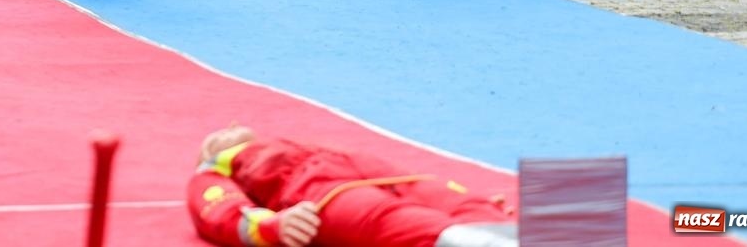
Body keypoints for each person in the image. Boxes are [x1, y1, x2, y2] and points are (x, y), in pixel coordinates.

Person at [186, 125, 511, 247]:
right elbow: (216, 211)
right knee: (409, 224)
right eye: (214, 138)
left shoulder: (296, 142)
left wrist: (477, 202)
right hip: (324, 195)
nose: (225, 131)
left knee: (481, 215)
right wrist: (273, 227)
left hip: (401, 180)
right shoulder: (214, 169)